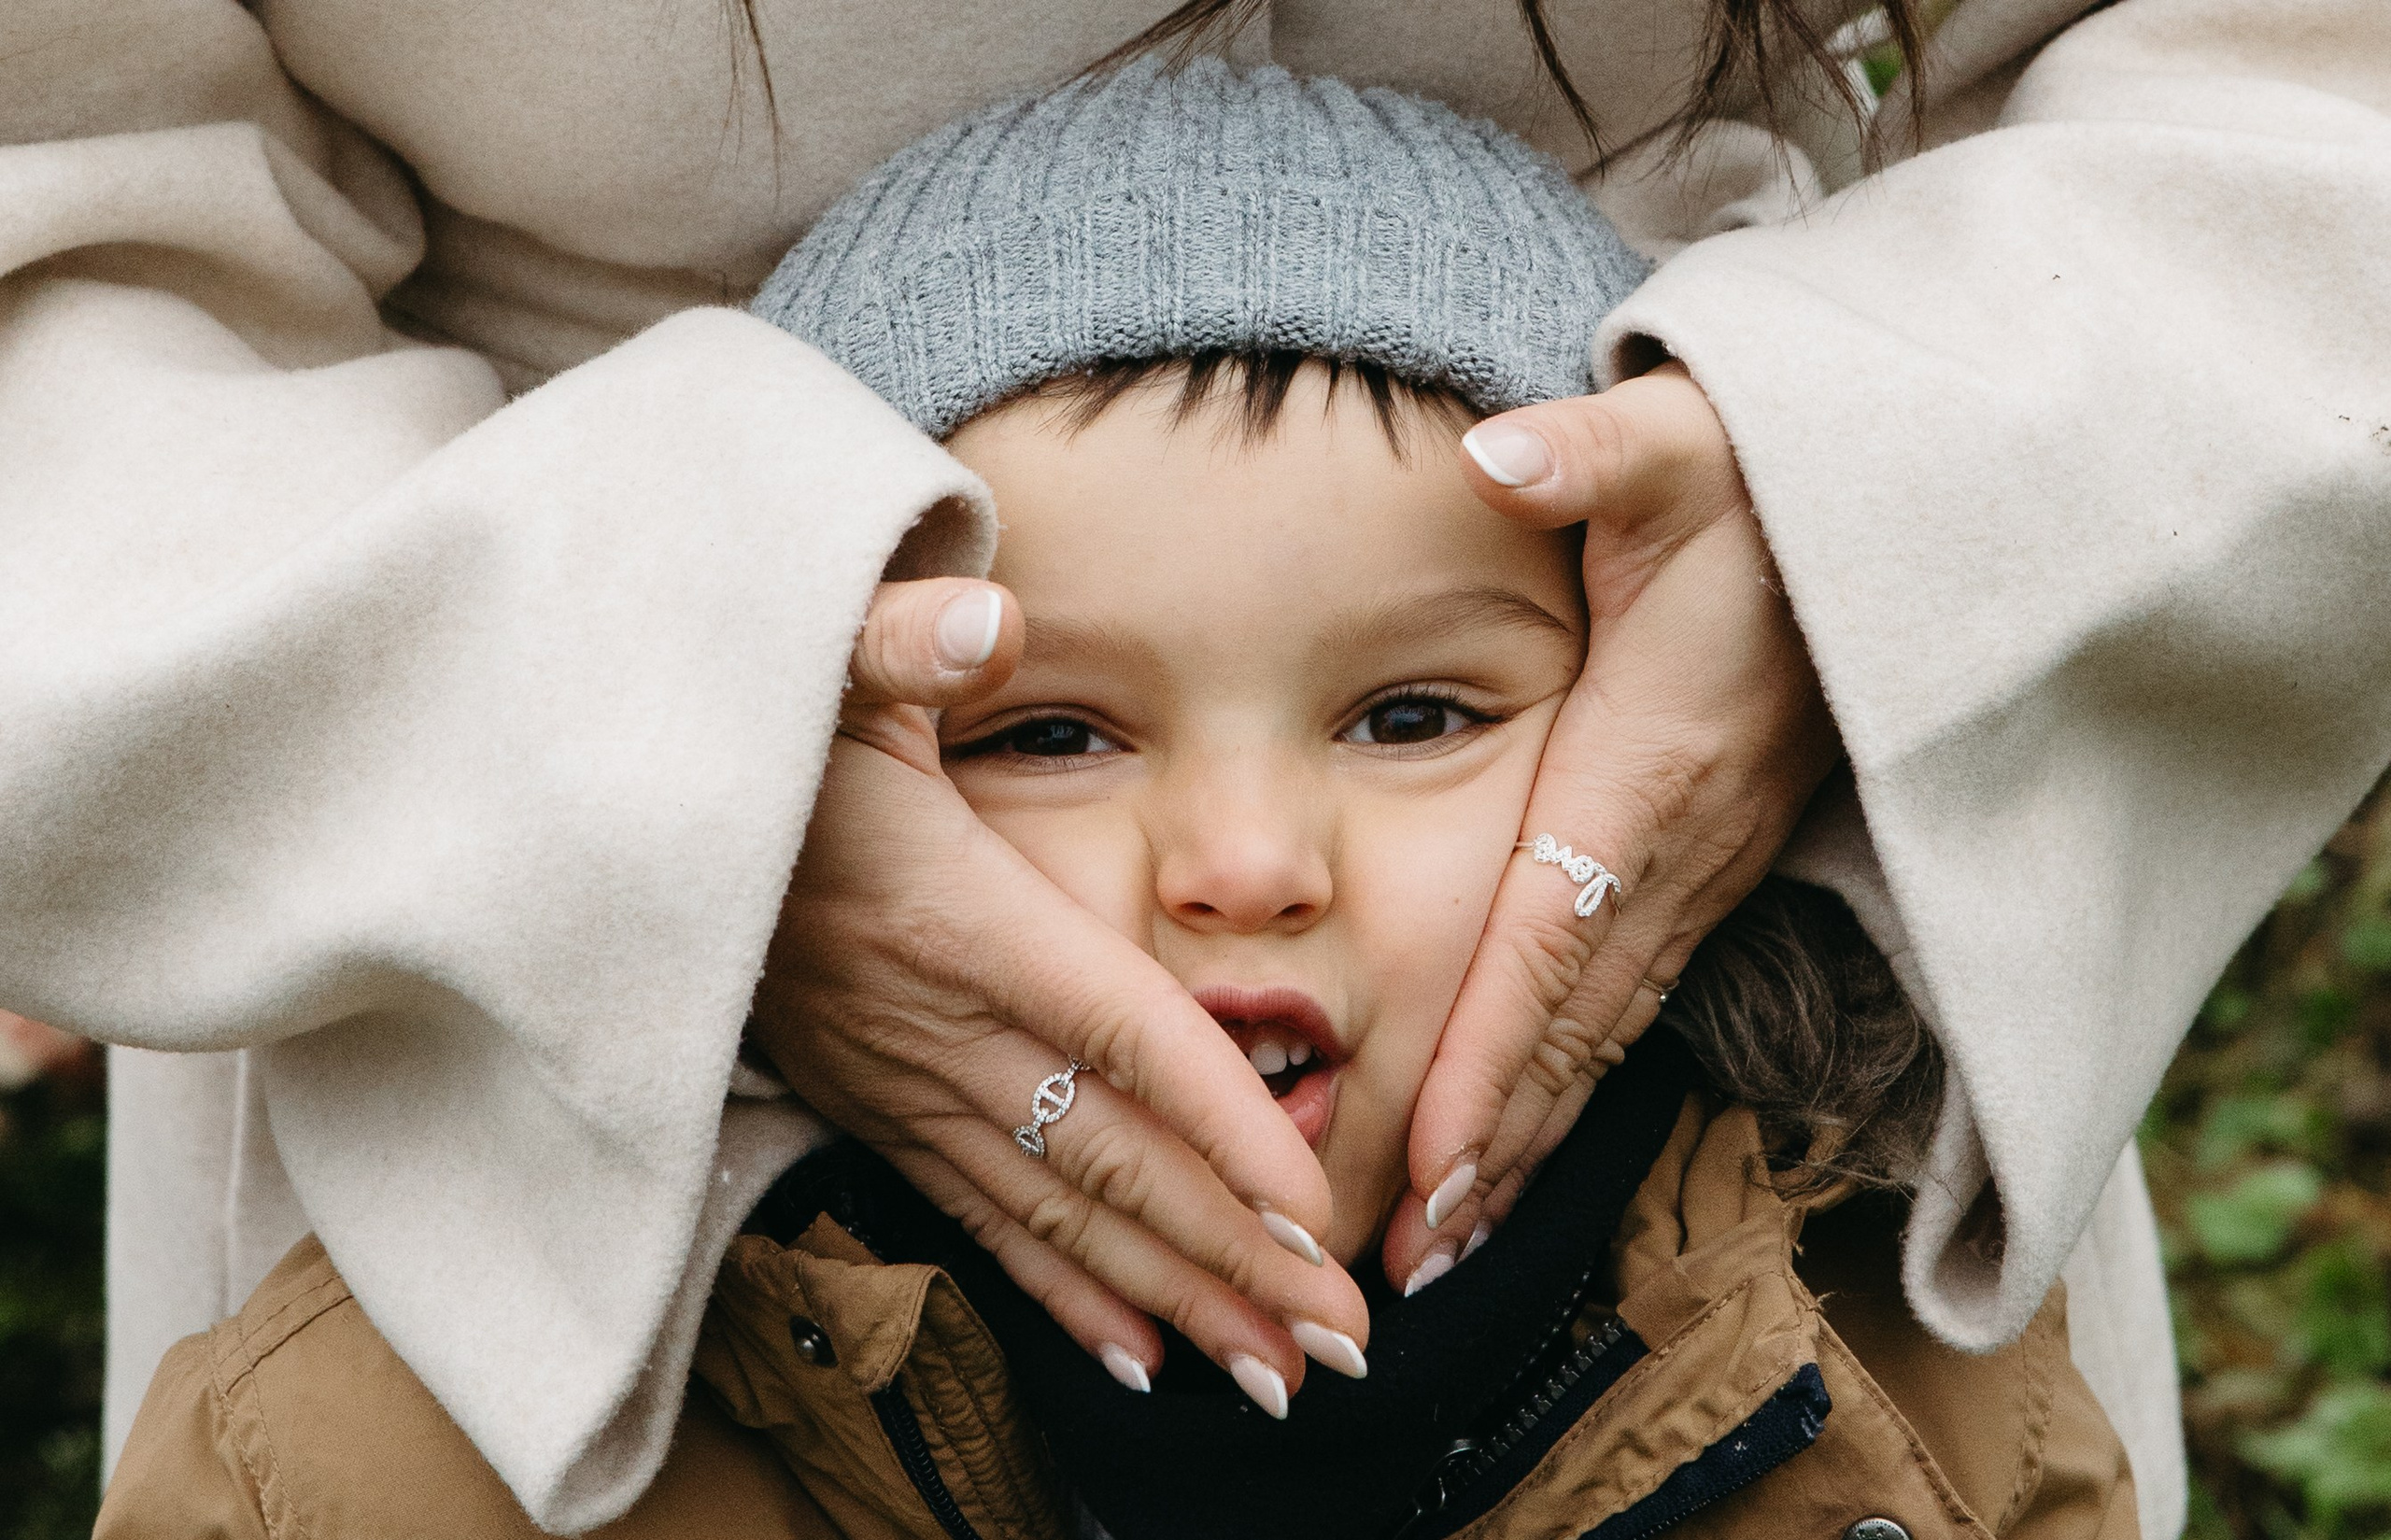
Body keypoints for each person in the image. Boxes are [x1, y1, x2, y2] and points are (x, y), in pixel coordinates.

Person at [5, 0, 2384, 1534]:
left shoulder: (1860, 1358)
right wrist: (635, 736)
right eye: (1054, 727)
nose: (1242, 864)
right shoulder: (366, 1469)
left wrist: (1866, 514)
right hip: (511, 955)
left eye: (1405, 712)